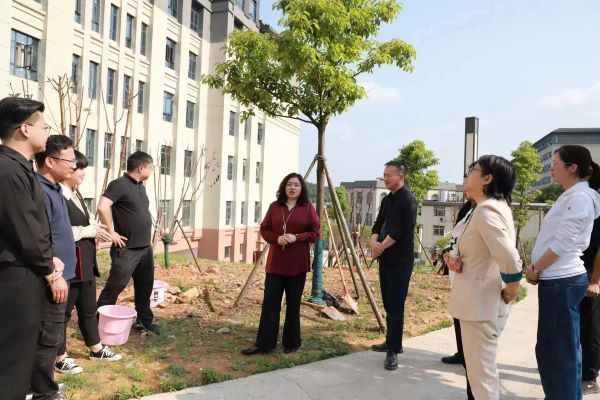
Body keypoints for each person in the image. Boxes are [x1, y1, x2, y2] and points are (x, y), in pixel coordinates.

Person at [0, 97, 64, 400]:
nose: (47, 133)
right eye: (44, 126)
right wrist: (50, 269)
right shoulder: (8, 171)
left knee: (19, 355)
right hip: (15, 277)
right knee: (12, 361)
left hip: (22, 272)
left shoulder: (17, 168)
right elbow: (26, 229)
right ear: (25, 129)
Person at [526, 145, 600, 400]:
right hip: (558, 280)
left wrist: (536, 268)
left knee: (557, 352)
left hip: (562, 280)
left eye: (555, 163)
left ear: (572, 167)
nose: (551, 168)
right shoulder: (573, 195)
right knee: (558, 349)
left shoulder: (579, 198)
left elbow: (562, 244)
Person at [447, 155, 522, 400]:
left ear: (487, 178)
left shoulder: (487, 211)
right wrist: (458, 259)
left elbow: (509, 259)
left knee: (482, 381)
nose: (467, 174)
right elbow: (482, 251)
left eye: (473, 169)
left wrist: (511, 292)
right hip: (478, 304)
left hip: (481, 306)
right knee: (480, 377)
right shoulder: (484, 209)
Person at [55, 150, 122, 375]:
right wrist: (86, 231)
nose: (83, 173)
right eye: (79, 168)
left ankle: (96, 348)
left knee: (88, 309)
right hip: (70, 263)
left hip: (85, 261)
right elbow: (58, 231)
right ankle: (60, 357)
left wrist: (96, 229)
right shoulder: (58, 195)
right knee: (63, 313)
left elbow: (84, 223)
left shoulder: (76, 193)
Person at [241, 173, 320, 355]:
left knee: (293, 305)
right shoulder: (275, 207)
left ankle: (292, 343)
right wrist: (276, 238)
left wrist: (296, 237)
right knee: (270, 303)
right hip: (276, 264)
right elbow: (264, 229)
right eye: (289, 184)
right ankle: (264, 344)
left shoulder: (308, 208)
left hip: (297, 265)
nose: (293, 188)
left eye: (296, 185)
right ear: (284, 187)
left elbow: (315, 233)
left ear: (302, 189)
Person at [32, 135, 78, 400]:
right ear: (50, 161)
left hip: (61, 275)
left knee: (53, 333)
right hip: (52, 277)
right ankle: (44, 393)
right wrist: (53, 275)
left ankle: (43, 383)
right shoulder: (38, 190)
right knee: (47, 336)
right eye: (69, 160)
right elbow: (39, 238)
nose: (74, 165)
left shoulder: (55, 188)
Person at [96, 151, 159, 334]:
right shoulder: (119, 184)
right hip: (127, 249)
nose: (151, 171)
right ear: (141, 168)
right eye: (150, 168)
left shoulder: (140, 187)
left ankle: (144, 321)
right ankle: (97, 321)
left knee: (145, 286)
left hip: (144, 248)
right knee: (115, 286)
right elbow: (102, 207)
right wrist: (111, 232)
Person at [370, 160, 417, 371]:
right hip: (385, 258)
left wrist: (380, 247)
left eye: (389, 175)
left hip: (400, 260)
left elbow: (399, 231)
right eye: (384, 175)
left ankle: (394, 350)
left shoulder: (408, 200)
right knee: (388, 303)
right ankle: (390, 341)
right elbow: (378, 224)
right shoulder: (388, 199)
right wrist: (373, 242)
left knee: (396, 304)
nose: (385, 178)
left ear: (401, 176)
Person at [442, 199, 476, 399]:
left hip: (474, 280)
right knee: (458, 315)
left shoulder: (487, 208)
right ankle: (461, 352)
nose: (465, 184)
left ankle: (466, 355)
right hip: (459, 272)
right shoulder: (468, 207)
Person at [580, 173, 600, 395]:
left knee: (590, 327)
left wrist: (595, 281)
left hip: (591, 273)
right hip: (574, 272)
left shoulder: (595, 205)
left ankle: (590, 376)